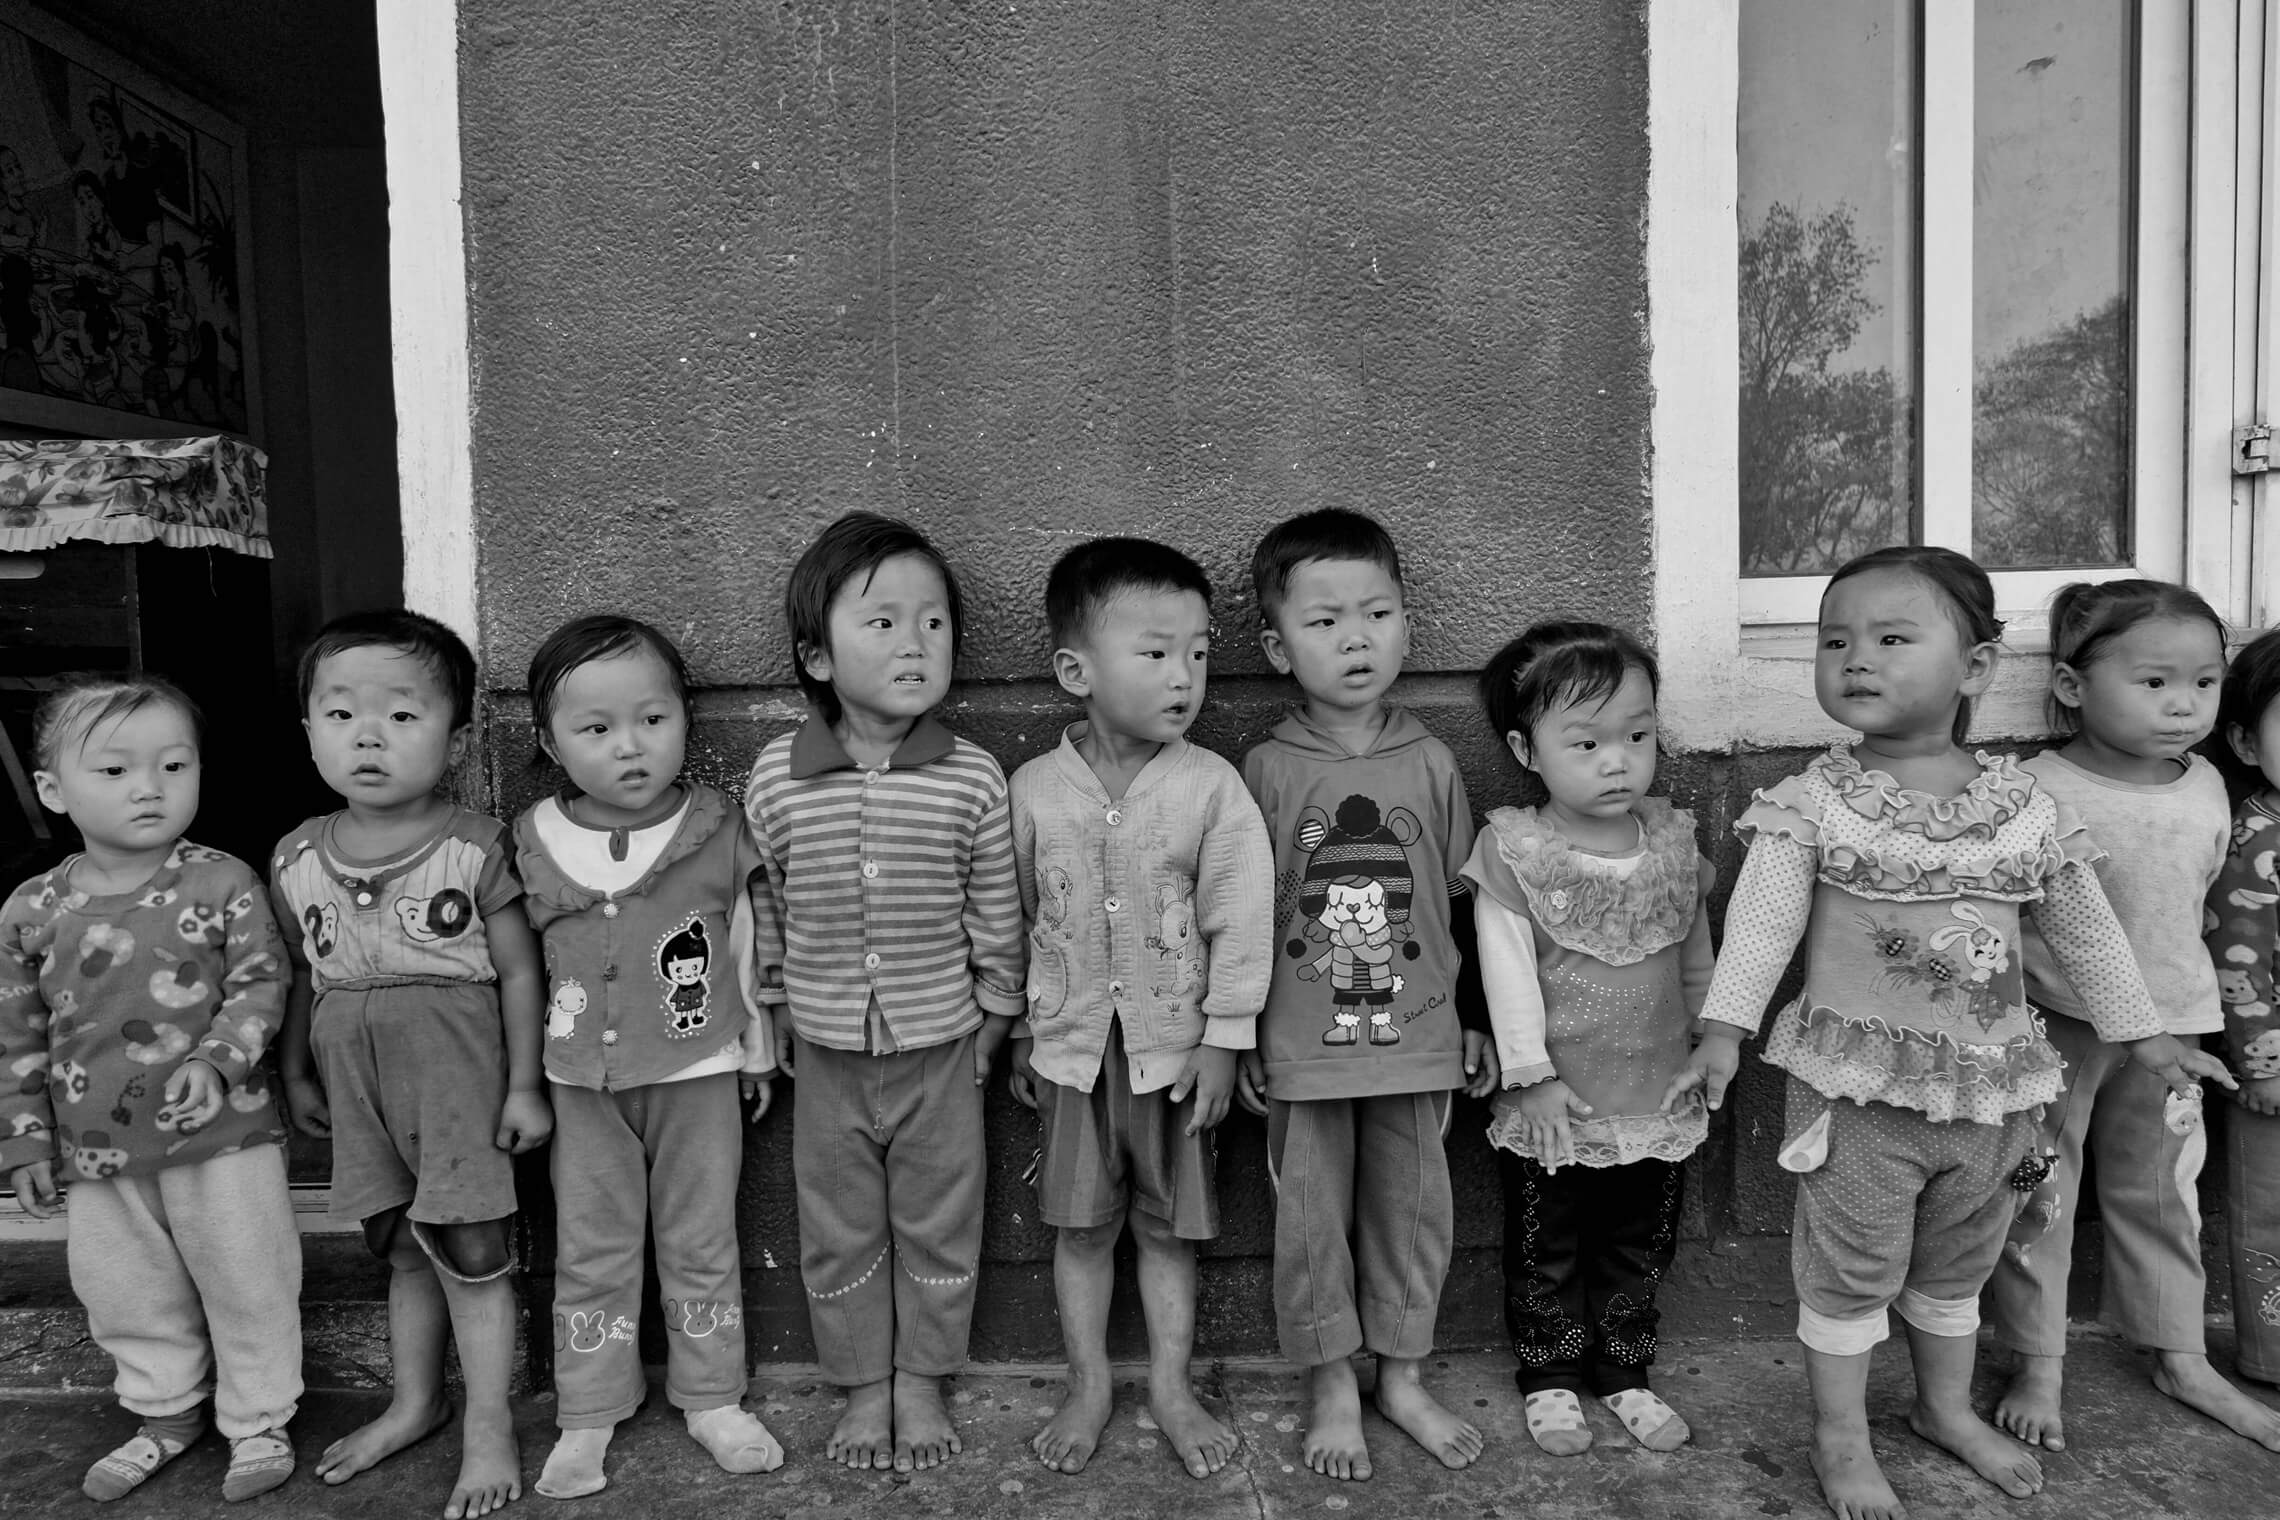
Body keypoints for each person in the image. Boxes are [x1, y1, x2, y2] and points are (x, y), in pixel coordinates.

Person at [1667, 546, 2236, 1520]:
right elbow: (1762, 927)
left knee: (1958, 1260)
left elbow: (2086, 928)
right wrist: (1722, 1032)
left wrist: (2146, 1040)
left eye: (1892, 637)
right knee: (1848, 1268)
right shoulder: (1815, 801)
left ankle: (1939, 1406)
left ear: (1974, 667)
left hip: (1994, 1089)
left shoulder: (2020, 809)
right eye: (1835, 638)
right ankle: (1838, 1432)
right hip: (1857, 1096)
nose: (1856, 657)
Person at [746, 512, 1026, 1473]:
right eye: (883, 622)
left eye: (935, 623)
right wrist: (775, 1002)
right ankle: (864, 1384)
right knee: (836, 1225)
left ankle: (922, 1379)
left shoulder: (972, 778)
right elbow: (766, 897)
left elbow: (998, 911)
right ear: (816, 657)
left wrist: (996, 1016)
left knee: (942, 1219)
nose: (916, 642)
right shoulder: (779, 777)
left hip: (942, 1046)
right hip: (825, 1049)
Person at [1985, 581, 2280, 1452]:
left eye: (2203, 682)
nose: (2182, 703)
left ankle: (2180, 1352)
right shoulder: (2034, 789)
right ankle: (2039, 1358)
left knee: (2165, 1195)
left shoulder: (2209, 788)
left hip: (2176, 1034)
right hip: (2056, 1026)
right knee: (2038, 1192)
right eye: (2153, 683)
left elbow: (2214, 911)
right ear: (2073, 687)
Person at [1234, 508, 1497, 1481]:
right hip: (1303, 1045)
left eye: (1377, 612)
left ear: (1406, 624)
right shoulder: (1265, 769)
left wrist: (1477, 1021)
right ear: (1276, 644)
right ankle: (1331, 1379)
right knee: (1308, 1220)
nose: (1355, 637)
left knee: (1416, 1210)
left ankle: (1404, 1372)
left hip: (1420, 1041)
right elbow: (1250, 919)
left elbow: (1464, 908)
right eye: (1325, 620)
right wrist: (1243, 1033)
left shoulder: (1432, 762)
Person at [273, 610, 551, 1520]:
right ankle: (415, 1402)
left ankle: (488, 1423)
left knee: (473, 1248)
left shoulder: (476, 846)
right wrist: (298, 1075)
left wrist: (521, 1085)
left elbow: (519, 970)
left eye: (401, 715)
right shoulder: (294, 856)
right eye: (341, 713)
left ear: (456, 735)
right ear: (308, 728)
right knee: (397, 1245)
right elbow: (302, 979)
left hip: (456, 1075)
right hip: (356, 1085)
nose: (368, 736)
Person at [1006, 539, 1274, 1479]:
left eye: (1199, 653)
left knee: (1167, 1228)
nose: (1184, 677)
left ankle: (1168, 1383)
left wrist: (1226, 1040)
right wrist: (1016, 1025)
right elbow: (1017, 915)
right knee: (1080, 1227)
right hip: (1074, 1054)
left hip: (1174, 1056)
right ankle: (1088, 1383)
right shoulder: (1033, 791)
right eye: (1156, 653)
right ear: (1077, 671)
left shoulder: (1210, 787)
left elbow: (1239, 921)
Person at [0, 676, 298, 1503]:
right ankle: (164, 1412)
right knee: (125, 1288)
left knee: (250, 1276)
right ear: (55, 791)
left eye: (174, 764)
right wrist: (24, 1139)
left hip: (223, 1139)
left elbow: (260, 984)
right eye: (117, 770)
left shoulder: (223, 881)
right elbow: (16, 1035)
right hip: (97, 1152)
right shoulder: (30, 909)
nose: (150, 787)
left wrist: (218, 1061)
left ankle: (259, 1416)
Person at [512, 615, 784, 1498]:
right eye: (595, 730)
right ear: (551, 743)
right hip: (579, 1088)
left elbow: (749, 942)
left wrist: (758, 1045)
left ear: (684, 720)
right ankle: (590, 1410)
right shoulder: (531, 838)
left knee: (700, 1239)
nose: (629, 747)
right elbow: (512, 964)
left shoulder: (718, 827)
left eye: (652, 720)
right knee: (592, 1246)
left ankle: (711, 1396)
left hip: (699, 1076)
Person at [1460, 622, 1713, 1456]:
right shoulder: (1517, 852)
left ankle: (1626, 1372)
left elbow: (1694, 958)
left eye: (1637, 736)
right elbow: (1504, 971)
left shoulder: (1671, 844)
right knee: (1547, 1243)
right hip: (1555, 1102)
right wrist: (1528, 1076)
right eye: (1587, 741)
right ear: (1524, 749)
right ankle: (1551, 1375)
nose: (1617, 761)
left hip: (1658, 1093)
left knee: (1642, 1242)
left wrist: (1711, 1045)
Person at [2203, 627, 2280, 1403]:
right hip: (2275, 1081)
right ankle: (2272, 1352)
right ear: (2247, 744)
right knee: (2270, 1222)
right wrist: (2261, 1064)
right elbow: (2239, 964)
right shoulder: (2256, 843)